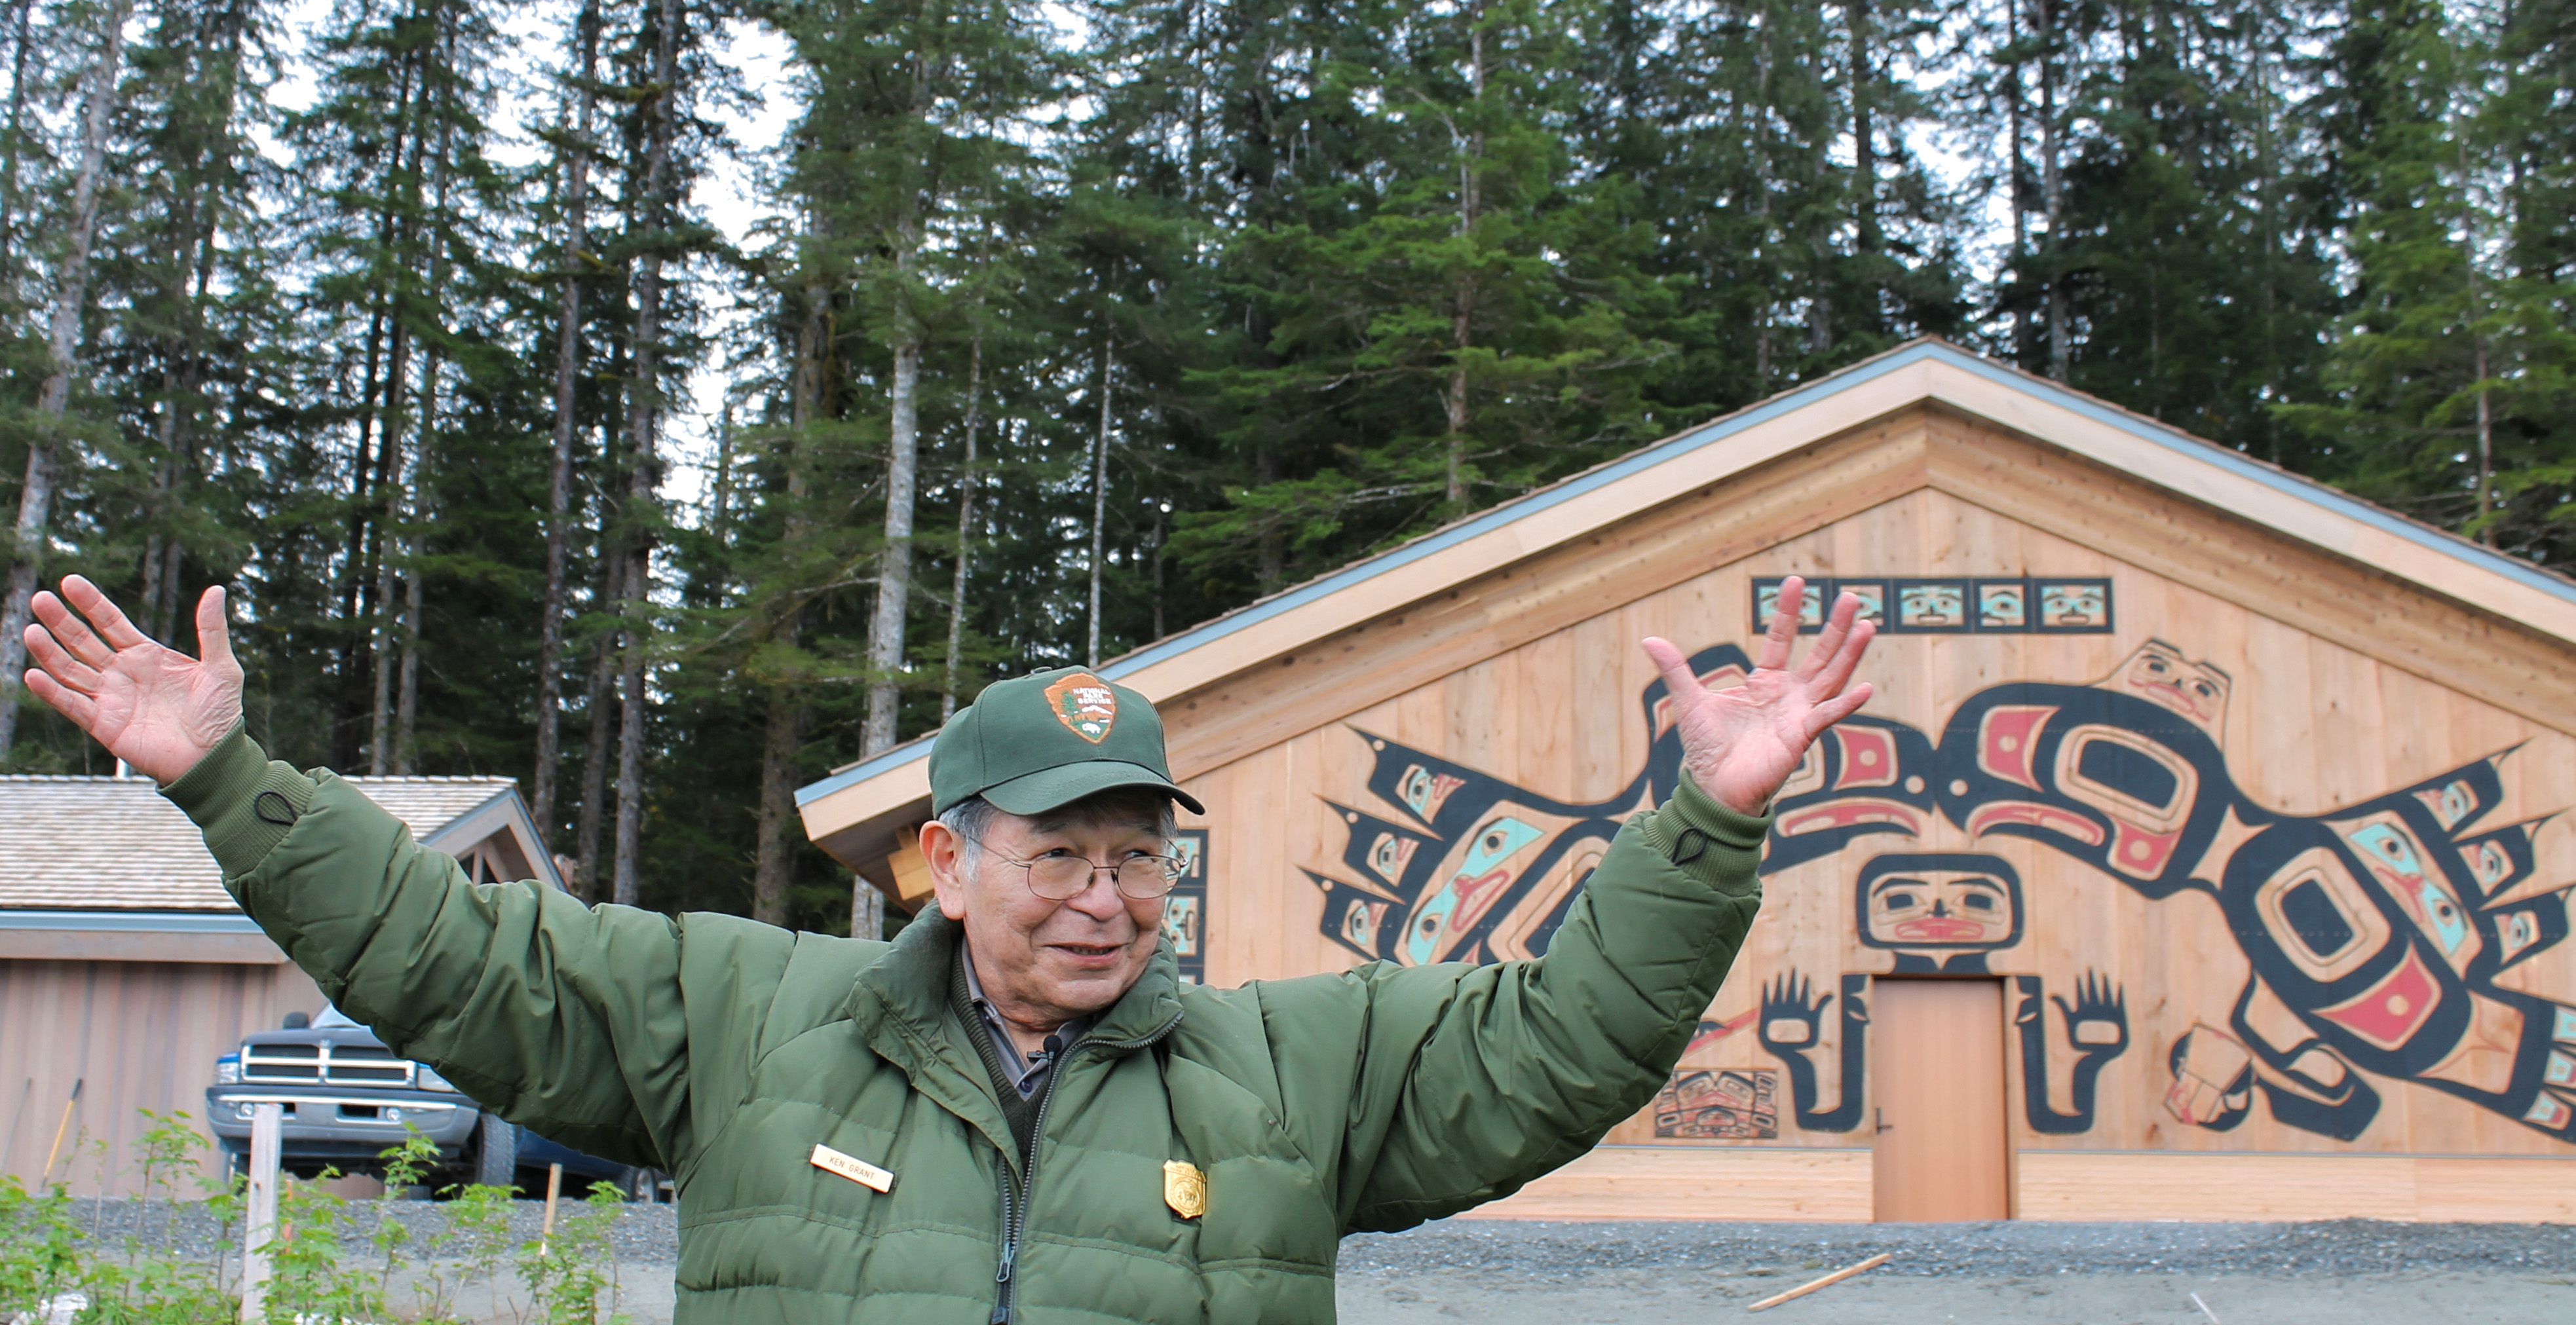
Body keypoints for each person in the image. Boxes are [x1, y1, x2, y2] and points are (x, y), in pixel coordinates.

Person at [20, 572, 1875, 1324]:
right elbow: (452, 957)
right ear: (942, 861)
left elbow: (1559, 1042)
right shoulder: (744, 1016)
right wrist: (232, 780)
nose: (1102, 897)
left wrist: (1706, 825)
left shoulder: (1294, 1071)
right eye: (1057, 852)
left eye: (1138, 858)